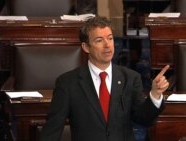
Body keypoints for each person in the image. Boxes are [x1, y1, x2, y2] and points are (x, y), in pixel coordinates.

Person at [40, 16, 169, 141]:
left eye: (110, 38)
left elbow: (143, 120)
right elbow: (52, 130)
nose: (107, 45)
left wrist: (155, 94)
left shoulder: (130, 78)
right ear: (86, 47)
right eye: (99, 40)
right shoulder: (67, 83)